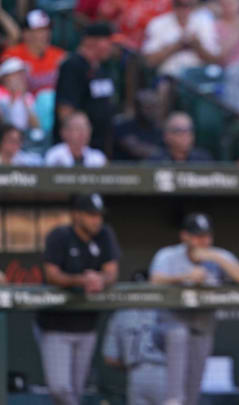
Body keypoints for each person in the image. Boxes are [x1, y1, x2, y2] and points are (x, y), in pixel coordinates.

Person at [149, 212, 239, 405]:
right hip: (170, 325)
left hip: (202, 326)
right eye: (198, 236)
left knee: (193, 389)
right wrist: (184, 277)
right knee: (178, 335)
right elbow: (155, 280)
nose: (203, 241)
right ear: (185, 236)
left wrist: (215, 257)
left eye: (206, 236)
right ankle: (172, 400)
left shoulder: (218, 256)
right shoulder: (169, 255)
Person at [36, 193, 121, 405]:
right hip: (56, 324)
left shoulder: (105, 235)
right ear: (76, 215)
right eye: (91, 214)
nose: (96, 220)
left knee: (75, 392)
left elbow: (112, 271)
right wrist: (81, 280)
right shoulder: (60, 235)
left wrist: (99, 279)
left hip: (86, 326)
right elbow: (51, 274)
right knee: (60, 389)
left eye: (99, 215)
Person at [103, 271, 166, 405]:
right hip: (165, 372)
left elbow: (111, 358)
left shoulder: (120, 314)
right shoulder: (168, 310)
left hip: (136, 373)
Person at [54, 23, 117, 154]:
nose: (111, 47)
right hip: (80, 150)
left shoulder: (102, 68)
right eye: (108, 42)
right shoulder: (73, 66)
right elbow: (65, 109)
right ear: (91, 41)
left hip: (101, 147)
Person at [141, 0, 220, 77]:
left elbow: (215, 60)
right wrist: (176, 45)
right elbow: (149, 61)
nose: (183, 9)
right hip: (169, 77)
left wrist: (197, 45)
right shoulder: (158, 23)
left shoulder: (204, 21)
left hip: (199, 77)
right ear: (173, 4)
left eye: (188, 4)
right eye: (179, 4)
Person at [2, 9, 66, 94]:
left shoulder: (60, 55)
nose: (45, 34)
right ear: (26, 33)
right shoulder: (13, 55)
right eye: (40, 30)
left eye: (47, 29)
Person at [145, 111, 213, 163]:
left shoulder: (203, 159)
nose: (186, 135)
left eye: (189, 130)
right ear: (167, 135)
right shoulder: (155, 161)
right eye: (180, 130)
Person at [0, 57, 41, 132]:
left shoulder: (28, 96)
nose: (21, 77)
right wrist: (12, 97)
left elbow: (36, 126)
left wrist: (23, 98)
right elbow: (4, 123)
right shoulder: (1, 94)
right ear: (5, 78)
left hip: (24, 137)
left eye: (22, 74)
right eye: (16, 74)